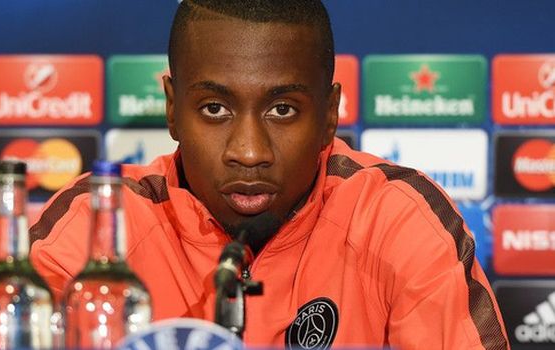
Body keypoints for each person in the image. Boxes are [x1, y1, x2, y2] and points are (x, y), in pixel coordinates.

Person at [29, 0, 509, 348]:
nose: (249, 152)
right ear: (173, 111)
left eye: (282, 109)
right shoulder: (97, 223)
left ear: (328, 115)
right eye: (214, 108)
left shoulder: (396, 216)